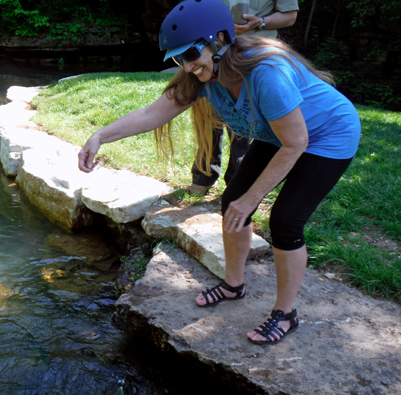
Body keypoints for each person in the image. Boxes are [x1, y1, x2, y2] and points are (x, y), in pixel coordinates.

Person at [77, 0, 360, 345]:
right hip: (281, 133)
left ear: (220, 39)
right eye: (178, 58)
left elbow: (296, 142)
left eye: (192, 52)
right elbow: (153, 114)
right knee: (232, 203)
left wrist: (254, 198)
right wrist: (99, 136)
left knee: (285, 221)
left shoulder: (265, 74)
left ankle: (286, 314)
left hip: (328, 135)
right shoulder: (202, 76)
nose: (188, 65)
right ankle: (233, 285)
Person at [190, 0, 299, 195]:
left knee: (245, 125)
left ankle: (236, 183)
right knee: (209, 117)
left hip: (255, 56)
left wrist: (260, 21)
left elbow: (290, 16)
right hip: (212, 52)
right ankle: (203, 175)